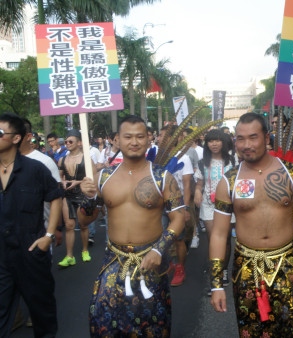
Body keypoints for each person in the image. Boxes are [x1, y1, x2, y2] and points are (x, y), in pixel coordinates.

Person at [210, 113, 293, 337]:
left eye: (253, 137)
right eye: (240, 139)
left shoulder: (292, 173)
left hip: (287, 265)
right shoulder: (229, 181)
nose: (246, 145)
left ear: (267, 137)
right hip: (247, 270)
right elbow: (219, 235)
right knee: (254, 330)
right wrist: (216, 285)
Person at [78, 115, 185, 336]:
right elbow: (85, 220)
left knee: (153, 324)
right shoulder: (103, 177)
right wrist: (88, 199)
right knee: (102, 321)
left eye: (140, 136)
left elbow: (179, 218)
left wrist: (159, 249)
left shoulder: (162, 177)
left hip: (150, 260)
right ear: (117, 139)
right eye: (128, 137)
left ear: (148, 139)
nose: (134, 142)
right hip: (113, 260)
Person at [0, 113, 62, 337]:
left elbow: (56, 196)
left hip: (31, 251)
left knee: (41, 310)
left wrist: (48, 235)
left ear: (16, 138)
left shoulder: (36, 169)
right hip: (1, 254)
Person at [195, 129, 235, 287]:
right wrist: (197, 192)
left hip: (228, 205)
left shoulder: (232, 160)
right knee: (213, 238)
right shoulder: (202, 162)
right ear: (207, 143)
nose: (214, 144)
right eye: (211, 141)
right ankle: (216, 272)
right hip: (208, 204)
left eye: (218, 140)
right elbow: (199, 184)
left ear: (223, 142)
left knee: (225, 240)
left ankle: (223, 269)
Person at [157, 125, 194, 287]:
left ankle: (180, 268)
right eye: (160, 136)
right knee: (161, 238)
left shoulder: (183, 158)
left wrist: (185, 208)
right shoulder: (158, 157)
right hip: (160, 206)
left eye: (164, 136)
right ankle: (169, 263)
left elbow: (186, 185)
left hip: (177, 206)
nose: (160, 139)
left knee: (179, 240)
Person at [57, 129, 93, 267]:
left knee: (83, 224)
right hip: (68, 195)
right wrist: (63, 181)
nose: (67, 144)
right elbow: (59, 175)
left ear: (79, 143)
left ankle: (84, 250)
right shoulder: (62, 159)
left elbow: (92, 178)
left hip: (82, 193)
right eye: (66, 141)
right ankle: (69, 255)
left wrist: (77, 182)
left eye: (70, 141)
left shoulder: (86, 159)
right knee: (69, 225)